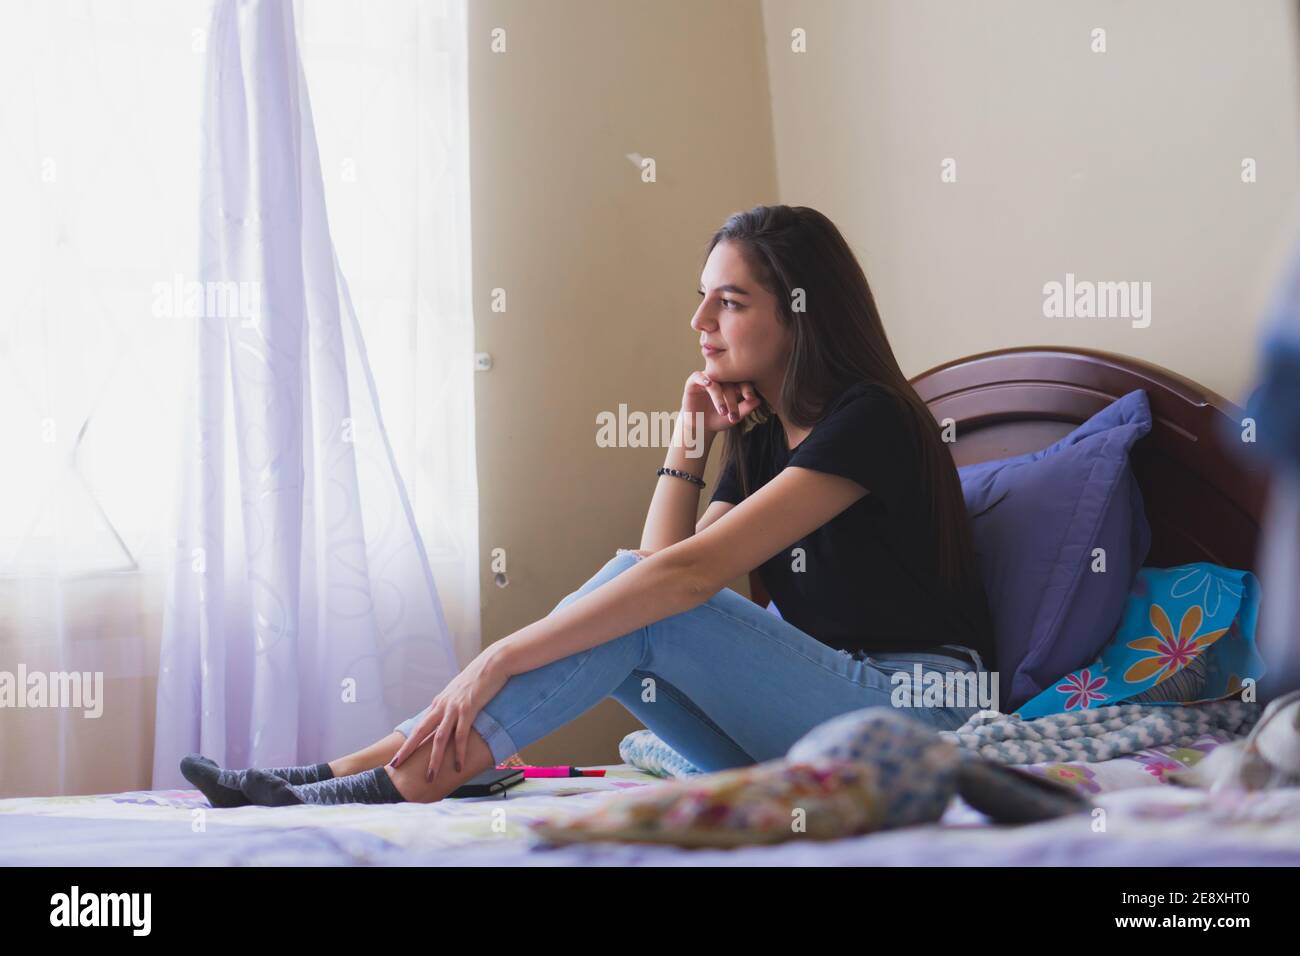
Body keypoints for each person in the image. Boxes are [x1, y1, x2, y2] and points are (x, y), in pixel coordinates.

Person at [181, 204, 996, 809]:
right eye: (702, 298)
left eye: (731, 302)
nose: (699, 321)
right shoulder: (763, 436)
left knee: (638, 607)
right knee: (630, 612)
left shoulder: (871, 420)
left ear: (802, 311)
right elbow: (653, 573)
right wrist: (689, 439)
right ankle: (349, 773)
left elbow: (681, 583)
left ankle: (375, 780)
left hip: (919, 715)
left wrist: (500, 655)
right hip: (823, 725)